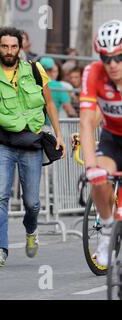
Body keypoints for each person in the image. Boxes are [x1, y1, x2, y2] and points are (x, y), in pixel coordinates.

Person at [0, 27, 66, 267]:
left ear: (20, 48)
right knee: (0, 195)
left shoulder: (35, 69)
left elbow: (50, 103)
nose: (9, 51)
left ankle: (31, 231)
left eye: (13, 47)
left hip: (31, 142)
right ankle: (0, 249)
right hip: (2, 143)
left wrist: (59, 134)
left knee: (32, 202)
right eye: (4, 47)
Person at [79, 20, 122, 268]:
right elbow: (86, 122)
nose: (112, 64)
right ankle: (106, 231)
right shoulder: (92, 73)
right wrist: (90, 165)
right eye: (106, 58)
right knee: (97, 177)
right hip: (113, 137)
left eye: (118, 57)